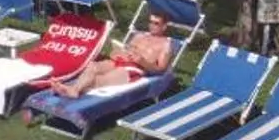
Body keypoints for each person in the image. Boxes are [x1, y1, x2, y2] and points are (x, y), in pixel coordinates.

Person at [36, 9, 177, 108]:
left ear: (164, 26)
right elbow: (123, 50)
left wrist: (143, 61)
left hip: (135, 69)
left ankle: (72, 89)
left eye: (156, 23)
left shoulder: (165, 45)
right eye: (150, 22)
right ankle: (74, 90)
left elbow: (161, 69)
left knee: (102, 80)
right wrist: (117, 52)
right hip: (120, 61)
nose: (152, 25)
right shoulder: (139, 36)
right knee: (93, 66)